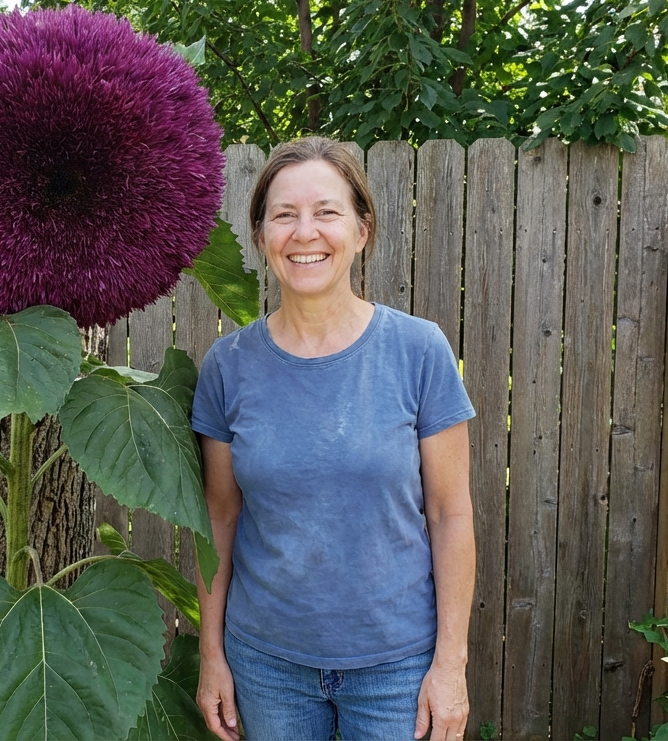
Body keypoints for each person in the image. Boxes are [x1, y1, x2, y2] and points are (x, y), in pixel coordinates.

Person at [191, 136, 476, 741]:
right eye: (284, 215)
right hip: (266, 665)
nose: (305, 232)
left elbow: (450, 514)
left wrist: (451, 664)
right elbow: (219, 518)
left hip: (398, 666)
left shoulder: (419, 351)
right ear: (261, 234)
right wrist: (211, 654)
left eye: (326, 211)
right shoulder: (228, 366)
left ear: (361, 229)